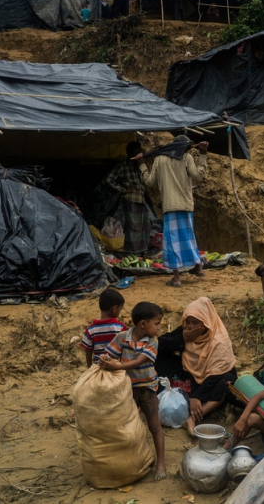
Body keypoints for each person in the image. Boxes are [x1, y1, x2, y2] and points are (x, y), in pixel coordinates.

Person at [99, 301, 168, 481]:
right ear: (143, 324)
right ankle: (131, 462)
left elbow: (139, 362)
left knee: (154, 426)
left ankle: (161, 463)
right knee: (126, 427)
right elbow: (109, 354)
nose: (159, 328)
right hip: (127, 390)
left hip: (147, 389)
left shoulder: (153, 341)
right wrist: (106, 360)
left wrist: (117, 367)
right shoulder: (122, 337)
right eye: (157, 323)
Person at [137, 136, 208, 287]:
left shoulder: (159, 160)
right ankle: (198, 267)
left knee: (172, 242)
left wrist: (142, 165)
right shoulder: (186, 157)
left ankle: (176, 279)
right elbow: (198, 176)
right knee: (188, 237)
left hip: (170, 207)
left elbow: (149, 182)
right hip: (186, 205)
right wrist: (203, 155)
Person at [180, 297, 237, 434]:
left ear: (206, 322)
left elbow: (217, 373)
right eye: (188, 322)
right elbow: (163, 343)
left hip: (217, 378)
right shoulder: (188, 334)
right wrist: (182, 337)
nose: (191, 327)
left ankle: (192, 419)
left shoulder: (219, 340)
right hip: (196, 378)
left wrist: (196, 396)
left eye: (195, 323)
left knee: (224, 386)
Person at [105, 141, 152, 254]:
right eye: (136, 152)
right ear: (130, 153)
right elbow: (109, 179)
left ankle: (143, 251)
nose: (139, 154)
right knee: (134, 227)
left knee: (146, 225)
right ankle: (132, 252)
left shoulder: (141, 165)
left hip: (141, 199)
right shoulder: (123, 165)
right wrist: (123, 189)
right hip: (130, 199)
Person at [79, 289, 126, 367]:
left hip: (98, 368)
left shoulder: (90, 330)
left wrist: (89, 367)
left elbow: (88, 351)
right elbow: (126, 349)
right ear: (115, 309)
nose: (120, 311)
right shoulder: (121, 328)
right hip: (116, 368)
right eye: (120, 309)